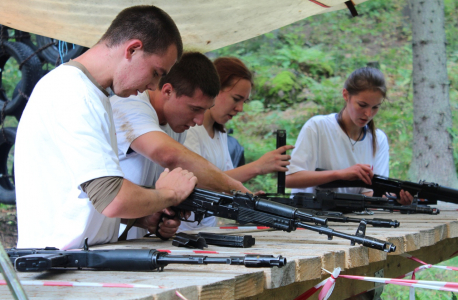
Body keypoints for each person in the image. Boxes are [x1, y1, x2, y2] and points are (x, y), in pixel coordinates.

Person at [15, 5, 197, 250]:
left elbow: (83, 196)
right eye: (156, 72)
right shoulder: (72, 93)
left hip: (76, 261)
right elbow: (112, 198)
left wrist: (144, 217)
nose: (154, 86)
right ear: (132, 49)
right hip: (57, 266)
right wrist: (169, 194)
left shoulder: (93, 95)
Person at [111, 52, 250, 239]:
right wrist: (239, 191)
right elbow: (169, 155)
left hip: (131, 241)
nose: (199, 121)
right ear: (167, 91)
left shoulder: (177, 125)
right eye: (195, 109)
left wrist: (150, 218)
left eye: (205, 110)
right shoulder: (130, 105)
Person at [181, 57, 293, 231]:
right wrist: (258, 167)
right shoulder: (188, 128)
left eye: (244, 102)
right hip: (179, 230)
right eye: (236, 98)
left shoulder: (221, 133)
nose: (240, 108)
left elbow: (225, 180)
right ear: (214, 88)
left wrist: (243, 196)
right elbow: (198, 182)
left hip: (204, 230)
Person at [285, 67, 412, 204]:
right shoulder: (317, 127)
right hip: (309, 218)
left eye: (375, 107)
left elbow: (369, 193)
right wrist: (340, 174)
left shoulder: (378, 139)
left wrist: (396, 199)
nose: (368, 114)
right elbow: (289, 179)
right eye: (362, 105)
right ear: (346, 95)